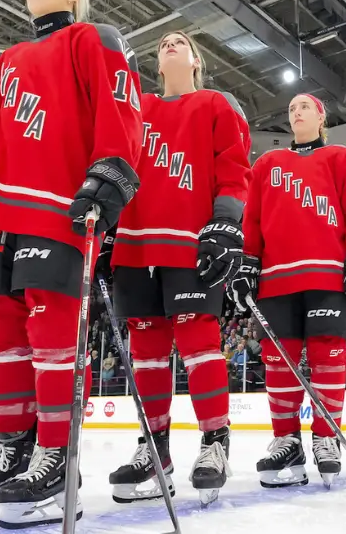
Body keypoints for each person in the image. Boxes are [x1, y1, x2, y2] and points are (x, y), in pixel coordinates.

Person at [0, 0, 143, 527]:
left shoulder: (93, 40)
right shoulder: (4, 63)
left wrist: (111, 172)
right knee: (0, 331)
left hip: (58, 207)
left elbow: (121, 110)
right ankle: (14, 449)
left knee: (51, 327)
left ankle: (57, 455)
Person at [105, 30, 251, 505]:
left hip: (191, 241)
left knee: (197, 341)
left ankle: (214, 442)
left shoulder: (214, 104)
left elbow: (234, 168)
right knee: (145, 350)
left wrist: (226, 221)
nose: (170, 42)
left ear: (195, 60)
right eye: (164, 41)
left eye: (180, 40)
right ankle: (156, 448)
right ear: (157, 60)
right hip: (134, 243)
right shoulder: (137, 107)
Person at [229, 93, 346, 489]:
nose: (296, 112)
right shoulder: (267, 164)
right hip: (276, 278)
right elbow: (253, 220)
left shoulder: (343, 159)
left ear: (321, 115)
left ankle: (326, 438)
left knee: (328, 356)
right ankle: (287, 440)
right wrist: (248, 261)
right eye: (291, 108)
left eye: (304, 107)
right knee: (280, 361)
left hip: (328, 275)